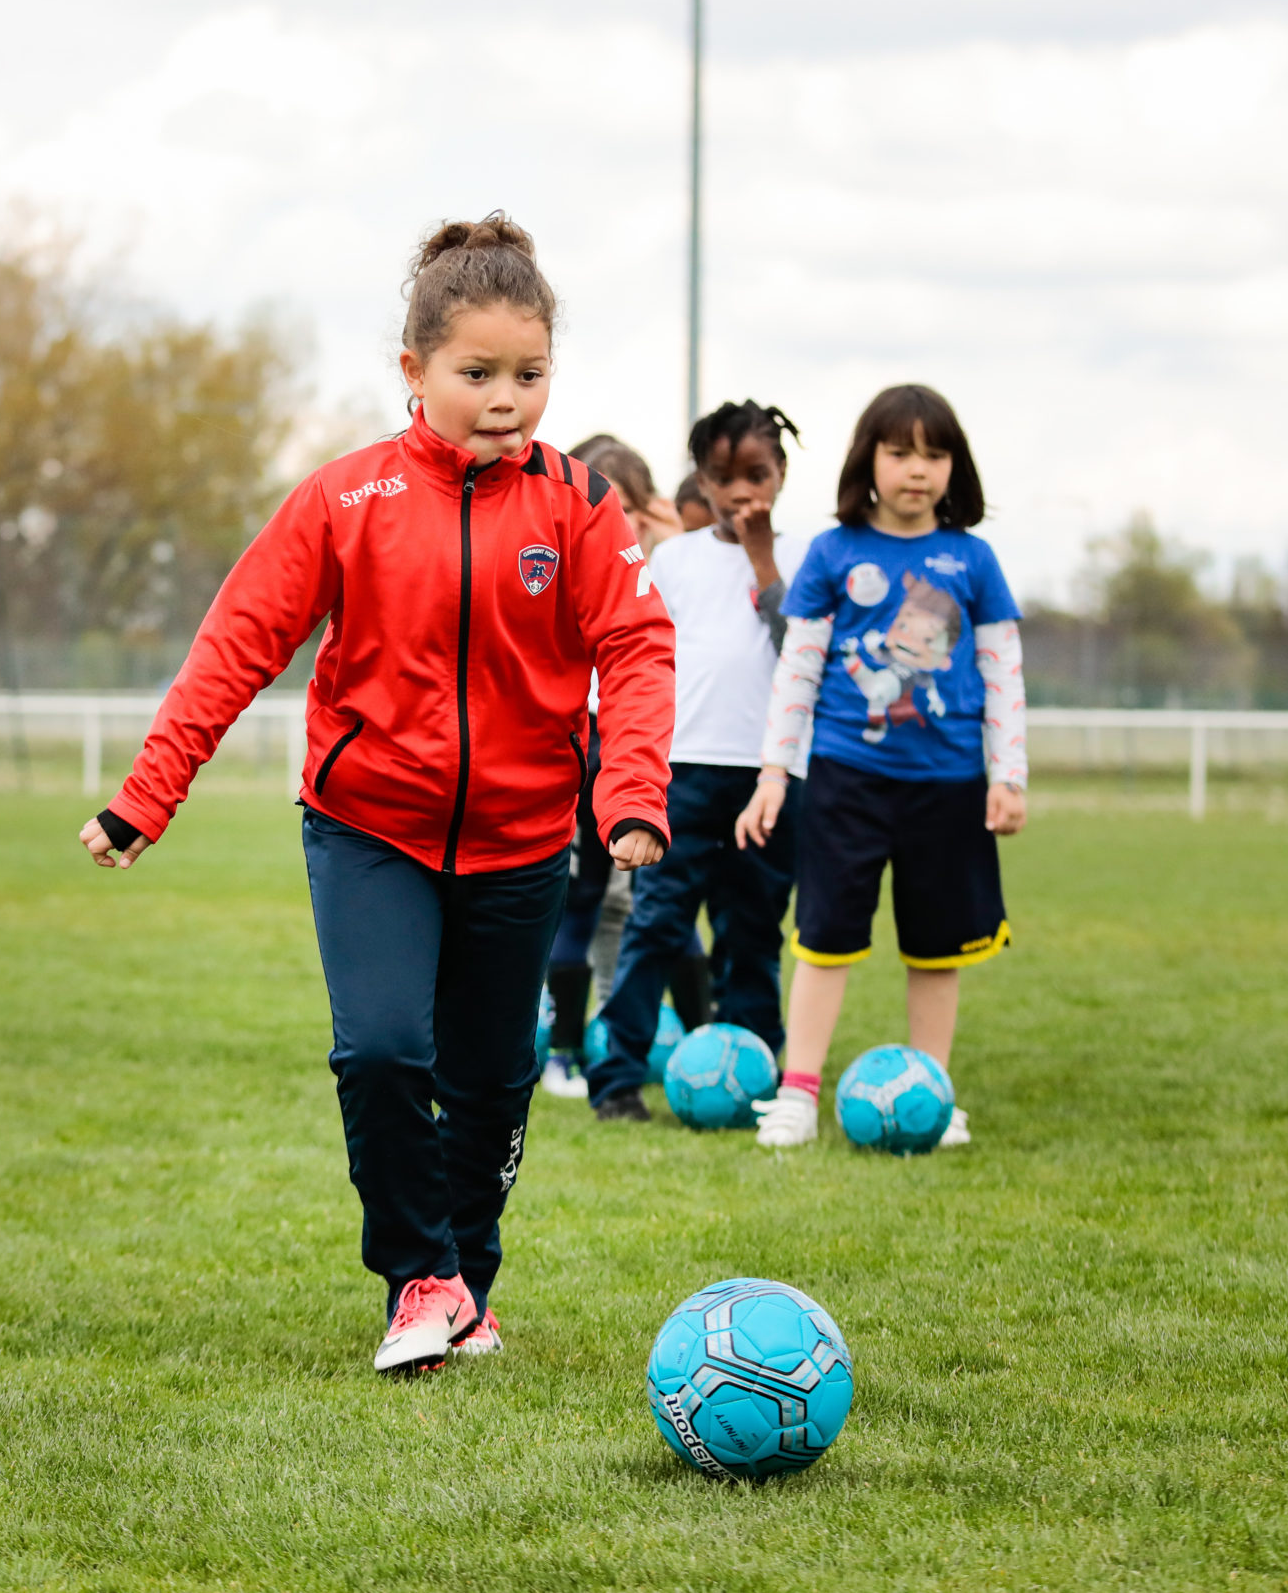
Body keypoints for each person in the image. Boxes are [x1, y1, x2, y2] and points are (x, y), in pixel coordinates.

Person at [78, 215, 674, 1374]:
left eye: (531, 375)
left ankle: (469, 1286)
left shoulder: (581, 508)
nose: (506, 398)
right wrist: (145, 799)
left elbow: (638, 650)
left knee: (495, 1081)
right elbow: (235, 646)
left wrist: (631, 796)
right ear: (414, 372)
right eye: (478, 373)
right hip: (369, 830)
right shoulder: (342, 502)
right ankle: (417, 1280)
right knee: (385, 1053)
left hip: (519, 838)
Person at [734, 384, 1026, 1149]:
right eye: (900, 452)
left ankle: (932, 1092)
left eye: (934, 453)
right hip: (843, 782)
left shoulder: (975, 559)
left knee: (937, 949)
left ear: (954, 466)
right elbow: (798, 668)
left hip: (951, 786)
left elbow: (1003, 674)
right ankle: (797, 1093)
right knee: (824, 938)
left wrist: (1009, 775)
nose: (917, 469)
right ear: (870, 460)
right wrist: (773, 773)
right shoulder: (833, 552)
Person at [587, 401, 808, 1121]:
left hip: (769, 778)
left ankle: (757, 1073)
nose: (743, 492)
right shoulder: (674, 560)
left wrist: (763, 558)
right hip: (681, 769)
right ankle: (616, 1076)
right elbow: (644, 655)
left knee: (751, 932)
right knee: (657, 922)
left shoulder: (803, 556)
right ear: (702, 482)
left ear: (780, 474)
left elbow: (801, 650)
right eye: (724, 478)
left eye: (758, 475)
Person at [537, 435, 703, 1100]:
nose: (615, 520)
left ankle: (704, 1037)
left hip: (651, 751)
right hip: (583, 745)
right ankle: (566, 1050)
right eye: (601, 499)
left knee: (664, 901)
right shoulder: (552, 563)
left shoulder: (671, 566)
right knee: (579, 901)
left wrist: (668, 535)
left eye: (629, 507)